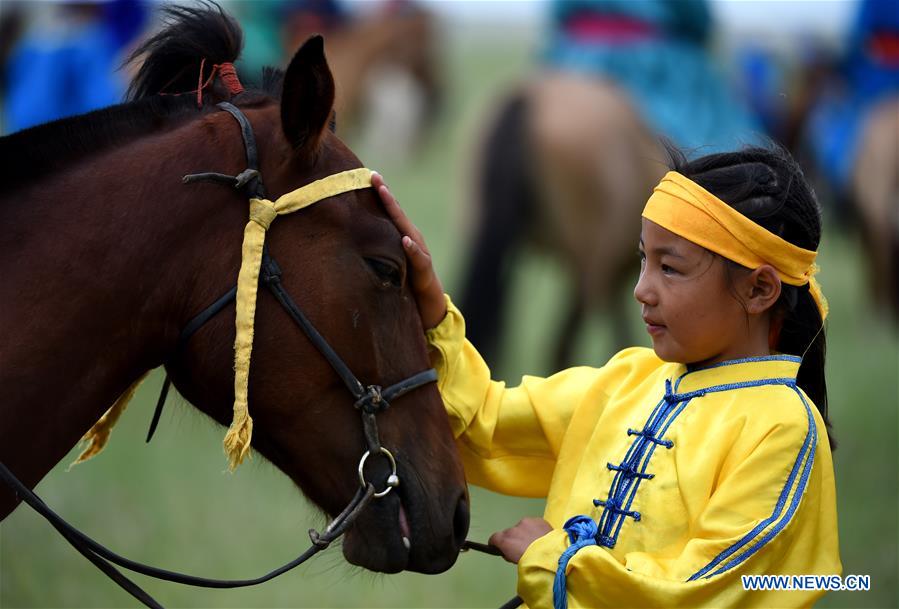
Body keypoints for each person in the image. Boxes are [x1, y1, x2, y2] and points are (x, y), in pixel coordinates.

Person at [371, 143, 841, 608]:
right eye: (643, 259)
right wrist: (428, 302)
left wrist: (556, 561)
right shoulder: (629, 378)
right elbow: (484, 424)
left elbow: (702, 588)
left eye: (670, 268)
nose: (641, 290)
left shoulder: (783, 427)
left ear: (759, 289)